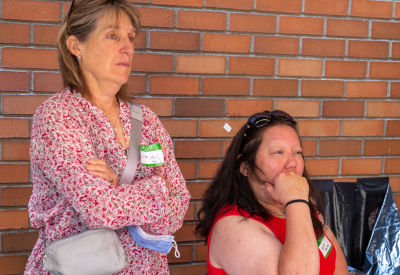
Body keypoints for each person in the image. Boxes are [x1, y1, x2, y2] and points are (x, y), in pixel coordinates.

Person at [25, 0, 190, 273]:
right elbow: (100, 209)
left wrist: (118, 190)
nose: (127, 47)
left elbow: (179, 207)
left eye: (130, 37)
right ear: (76, 46)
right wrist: (158, 188)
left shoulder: (145, 120)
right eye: (112, 35)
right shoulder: (59, 116)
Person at [196, 110, 349, 275]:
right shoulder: (232, 227)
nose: (292, 163)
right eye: (278, 152)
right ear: (245, 166)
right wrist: (297, 201)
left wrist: (298, 203)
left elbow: (336, 262)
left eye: (297, 152)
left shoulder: (301, 206)